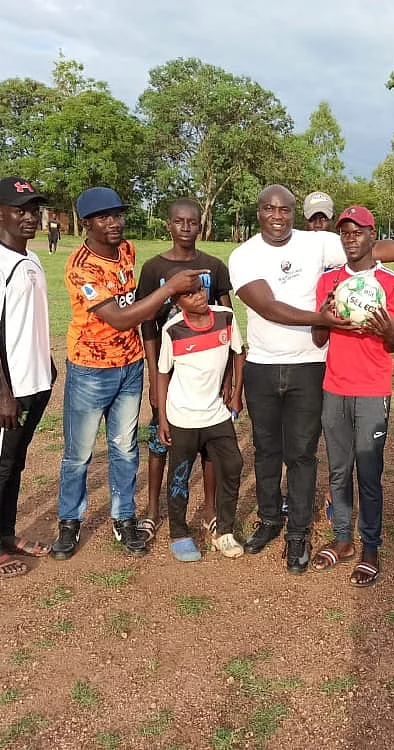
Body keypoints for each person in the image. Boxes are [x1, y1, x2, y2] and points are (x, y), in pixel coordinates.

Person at [228, 185, 394, 574]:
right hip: (263, 364)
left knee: (303, 454)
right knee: (266, 450)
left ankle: (299, 533)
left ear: (293, 213)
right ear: (259, 212)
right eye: (269, 208)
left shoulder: (316, 243)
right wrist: (321, 318)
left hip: (311, 366)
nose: (277, 216)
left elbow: (370, 248)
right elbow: (268, 306)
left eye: (284, 209)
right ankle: (270, 520)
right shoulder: (243, 254)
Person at [51, 187, 204, 561]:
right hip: (90, 370)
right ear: (87, 223)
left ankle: (123, 517)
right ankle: (70, 521)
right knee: (79, 454)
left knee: (124, 448)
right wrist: (170, 288)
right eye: (104, 217)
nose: (114, 223)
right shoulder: (81, 266)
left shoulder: (127, 250)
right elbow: (120, 318)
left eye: (117, 215)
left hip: (130, 365)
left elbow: (136, 306)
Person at [310, 206, 394, 587]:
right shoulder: (329, 281)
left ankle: (370, 546)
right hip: (335, 386)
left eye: (358, 232)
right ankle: (343, 538)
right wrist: (323, 317)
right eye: (345, 233)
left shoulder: (390, 283)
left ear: (372, 234)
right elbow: (318, 339)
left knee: (368, 471)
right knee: (338, 468)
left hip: (372, 389)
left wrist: (387, 331)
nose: (351, 239)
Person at [0, 177, 55, 577]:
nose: (30, 217)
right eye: (20, 210)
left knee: (15, 461)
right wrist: (2, 391)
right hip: (9, 387)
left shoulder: (31, 257)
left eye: (34, 210)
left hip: (37, 380)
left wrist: (47, 365)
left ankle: (6, 533)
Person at [135, 199, 233, 546]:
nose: (186, 228)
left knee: (207, 443)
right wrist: (153, 374)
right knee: (160, 438)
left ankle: (209, 510)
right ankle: (152, 510)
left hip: (205, 369)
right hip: (169, 368)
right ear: (169, 225)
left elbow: (226, 319)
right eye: (179, 222)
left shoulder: (214, 266)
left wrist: (227, 377)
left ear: (200, 226)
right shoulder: (154, 268)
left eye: (192, 222)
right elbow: (147, 324)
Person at [156, 275, 245, 561]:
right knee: (180, 475)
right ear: (177, 301)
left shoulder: (226, 317)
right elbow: (162, 373)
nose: (200, 296)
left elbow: (238, 352)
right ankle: (179, 532)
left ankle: (224, 530)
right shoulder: (173, 330)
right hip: (182, 416)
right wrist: (163, 419)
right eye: (191, 294)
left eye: (201, 290)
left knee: (233, 464)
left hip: (216, 413)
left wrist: (236, 392)